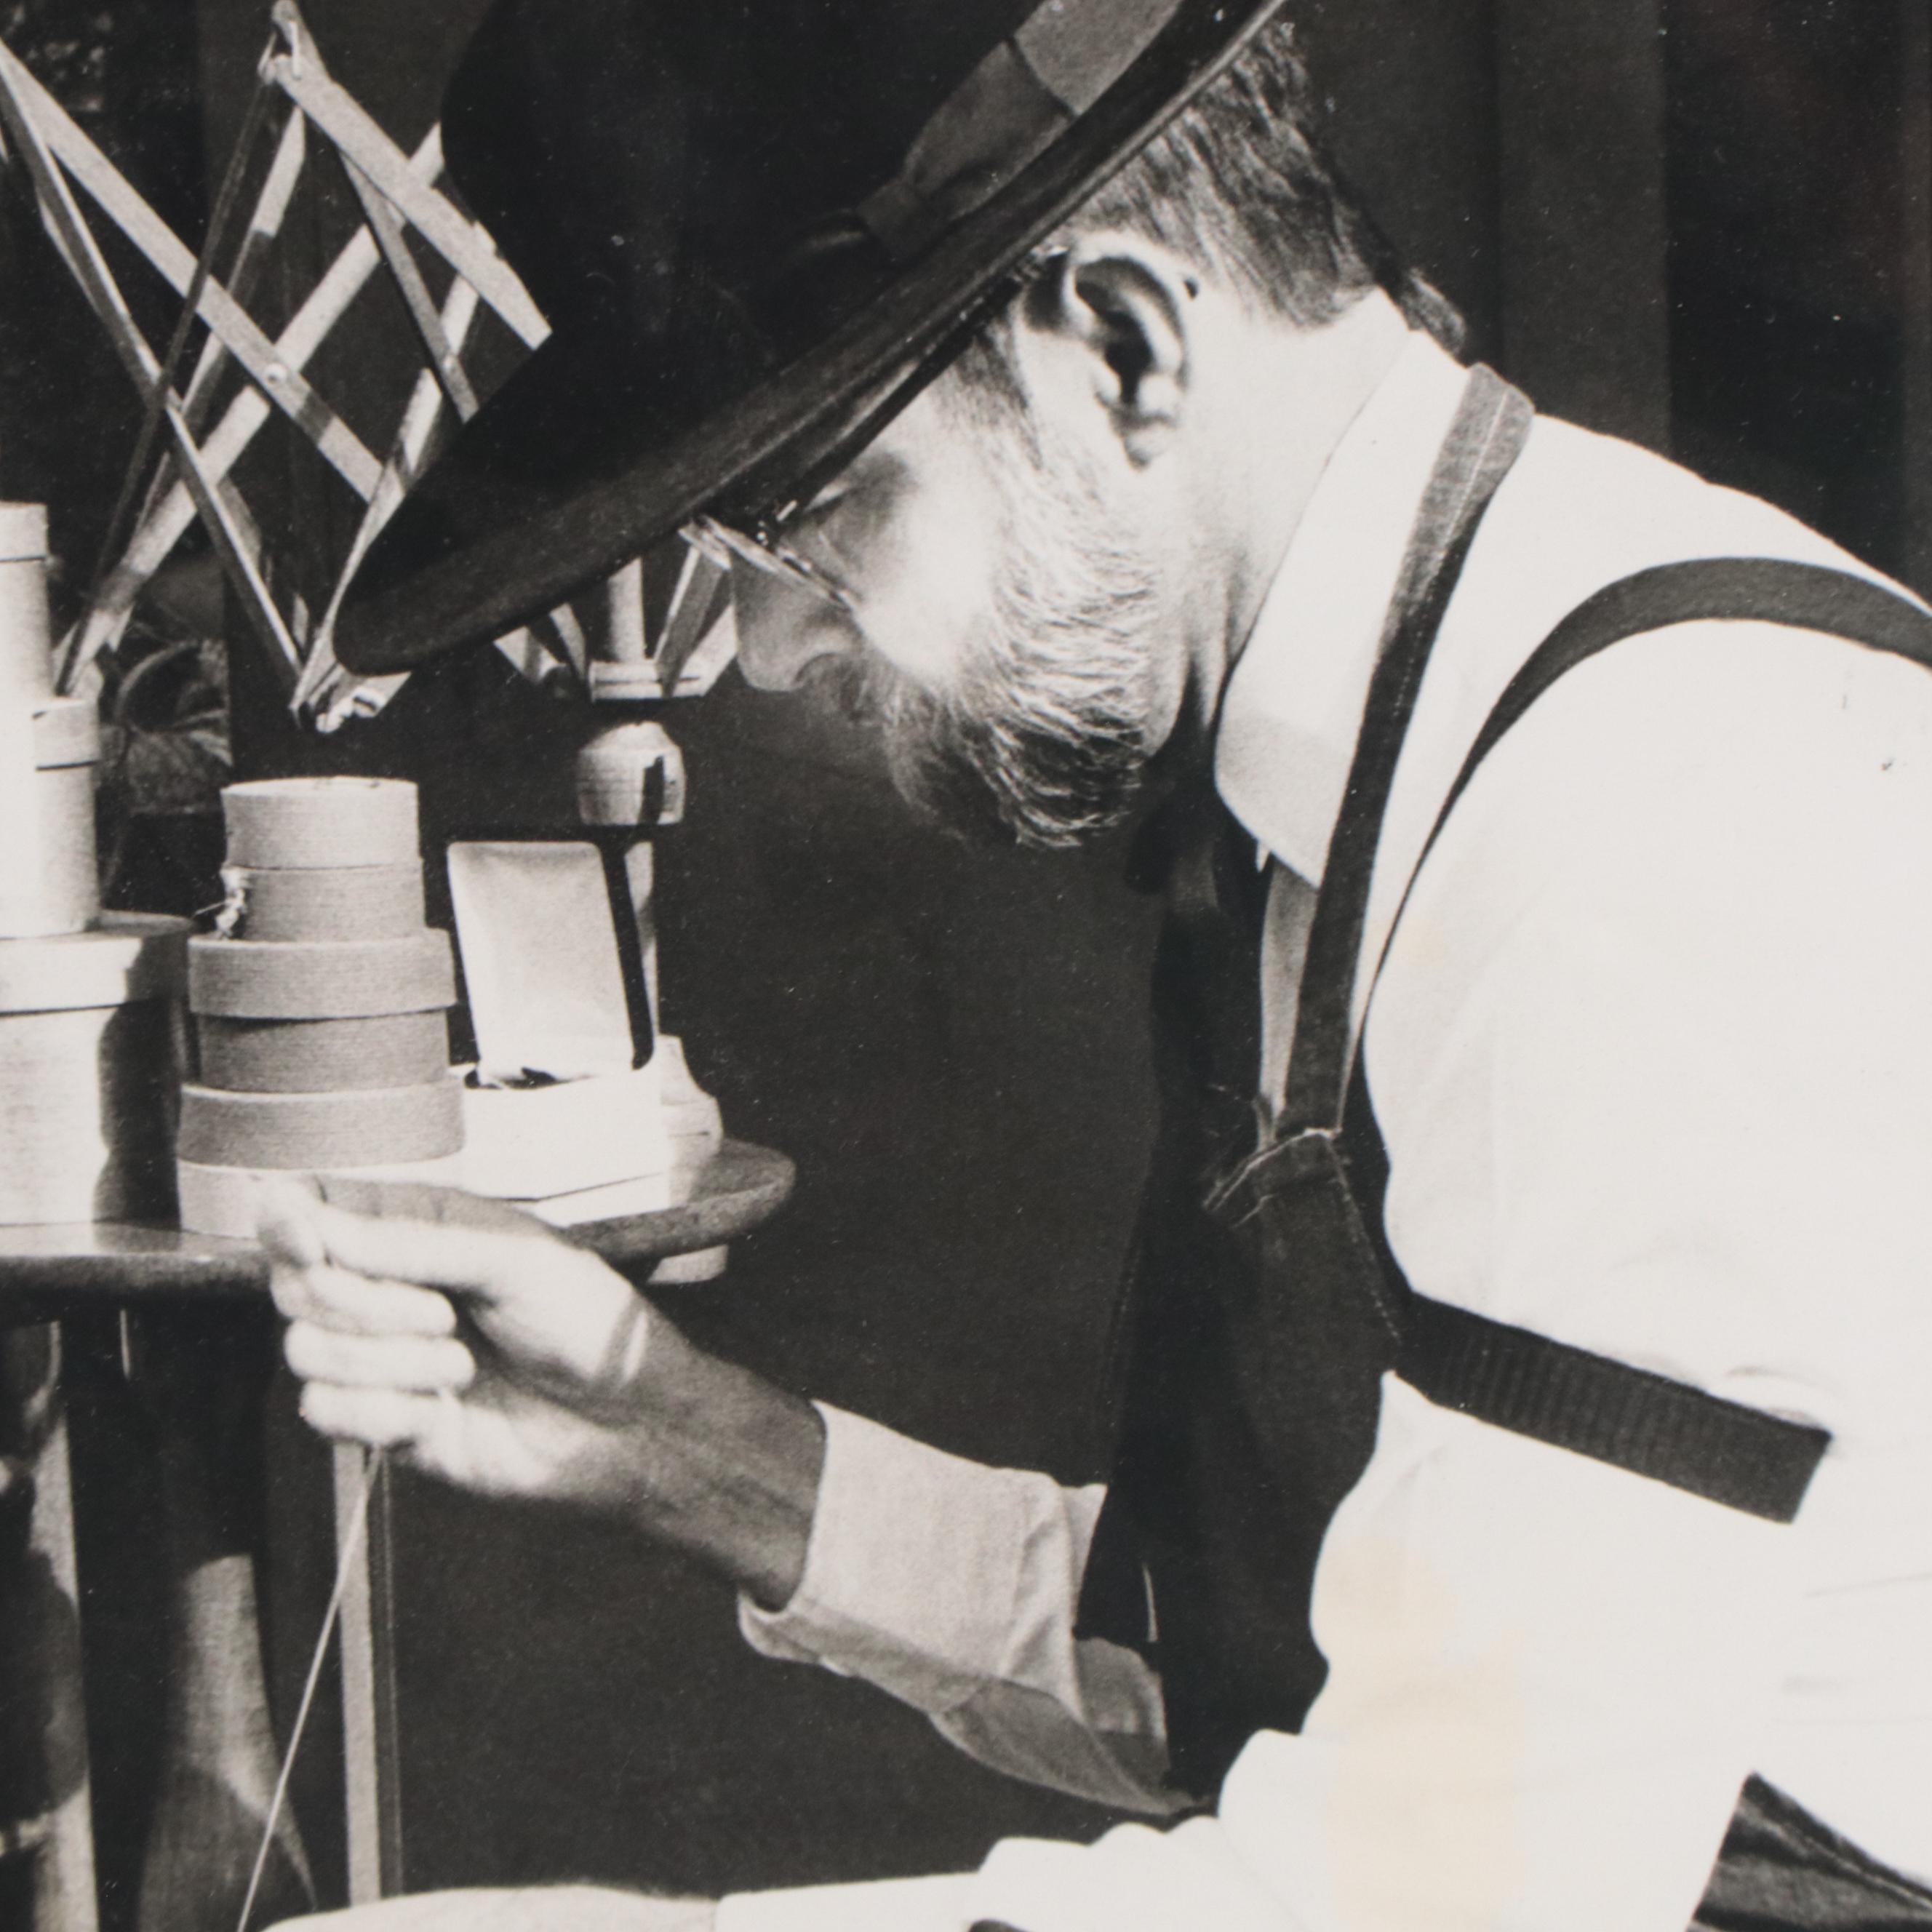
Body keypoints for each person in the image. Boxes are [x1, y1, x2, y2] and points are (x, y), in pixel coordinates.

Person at [272, 0, 1932, 1926]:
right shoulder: (1343, 771)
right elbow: (1281, 1678)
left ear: (1127, 352)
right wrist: (685, 1441)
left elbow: (1457, 1883)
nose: (762, 654)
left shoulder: (1651, 815)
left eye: (802, 514)